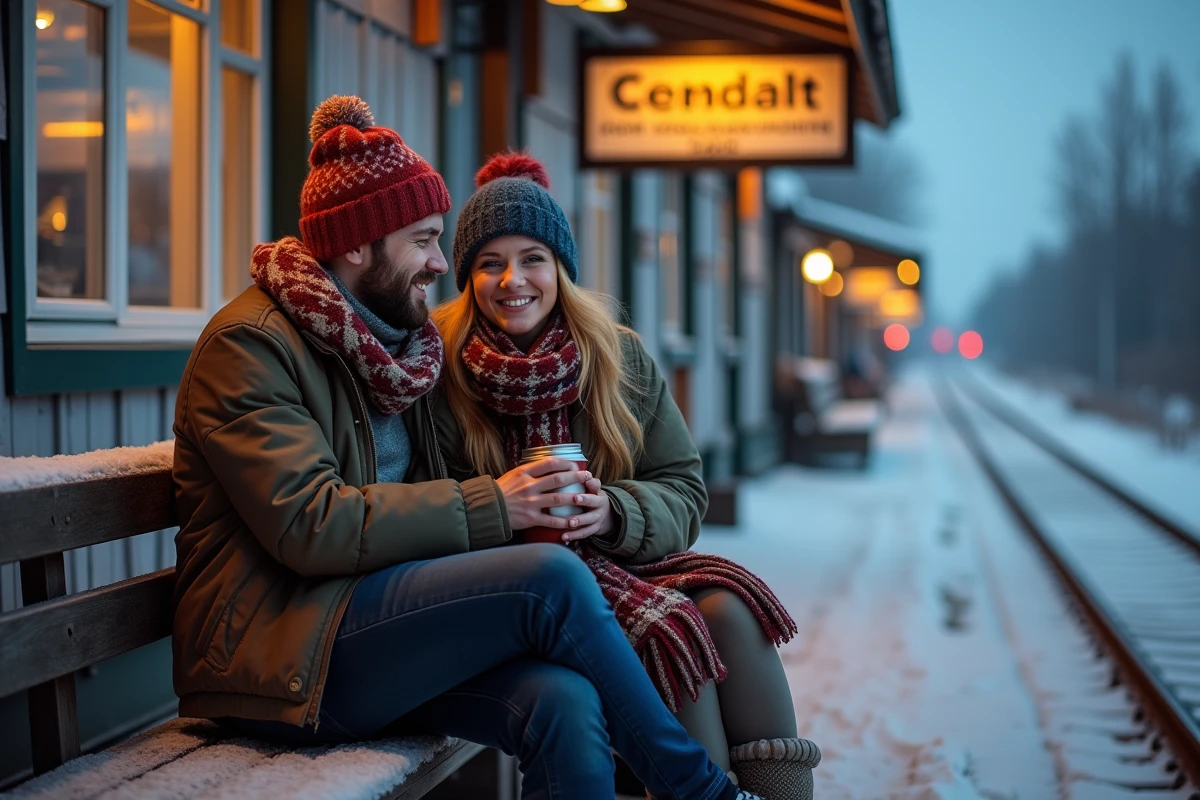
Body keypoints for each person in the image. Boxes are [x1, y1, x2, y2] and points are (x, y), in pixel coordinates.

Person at [171, 95, 762, 800]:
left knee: (565, 701)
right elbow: (312, 524)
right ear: (357, 244)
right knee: (549, 578)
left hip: (372, 628)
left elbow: (674, 483)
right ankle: (705, 793)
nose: (436, 263)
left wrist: (597, 509)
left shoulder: (393, 346)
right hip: (285, 655)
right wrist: (498, 505)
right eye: (423, 240)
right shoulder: (252, 346)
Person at [429, 152, 821, 799]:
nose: (512, 279)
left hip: (622, 564)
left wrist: (612, 511)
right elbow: (428, 503)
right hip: (520, 594)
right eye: (489, 263)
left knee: (731, 612)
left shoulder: (617, 357)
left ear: (561, 268)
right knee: (673, 637)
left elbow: (683, 489)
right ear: (467, 276)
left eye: (532, 258)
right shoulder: (440, 369)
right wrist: (505, 508)